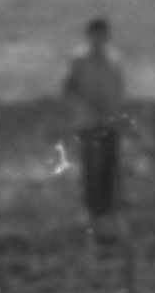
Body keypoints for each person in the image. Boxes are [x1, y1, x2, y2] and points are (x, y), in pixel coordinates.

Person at [55, 18, 130, 242]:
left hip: (110, 123)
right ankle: (93, 216)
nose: (100, 38)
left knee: (110, 167)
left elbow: (119, 90)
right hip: (88, 123)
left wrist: (117, 115)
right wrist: (83, 109)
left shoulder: (114, 59)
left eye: (104, 34)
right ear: (90, 35)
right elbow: (69, 89)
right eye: (96, 34)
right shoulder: (79, 60)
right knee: (92, 169)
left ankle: (108, 216)